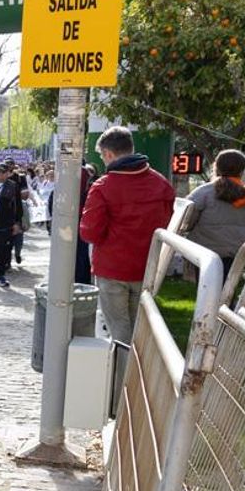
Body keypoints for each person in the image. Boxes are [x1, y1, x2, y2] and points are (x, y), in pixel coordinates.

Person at [80, 126, 177, 387]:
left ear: (109, 154)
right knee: (139, 326)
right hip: (146, 267)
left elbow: (90, 232)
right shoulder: (160, 183)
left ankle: (123, 388)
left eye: (102, 156)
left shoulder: (103, 187)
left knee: (119, 329)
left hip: (112, 269)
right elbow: (168, 223)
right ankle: (143, 379)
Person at [179, 149, 245, 278]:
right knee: (227, 290)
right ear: (242, 171)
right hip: (237, 253)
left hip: (205, 252)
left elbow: (185, 220)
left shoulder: (203, 192)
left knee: (207, 291)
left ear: (216, 167)